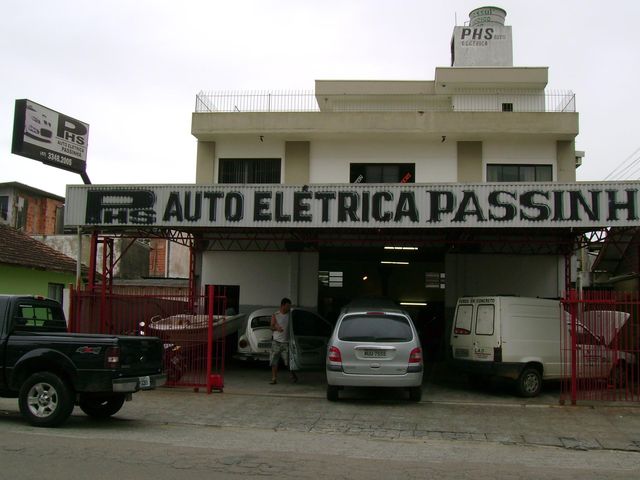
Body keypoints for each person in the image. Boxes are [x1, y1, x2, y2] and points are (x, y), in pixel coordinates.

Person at [269, 297, 297, 384]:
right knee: (274, 361)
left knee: (288, 362)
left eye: (290, 306)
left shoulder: (290, 315)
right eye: (288, 306)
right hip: (276, 342)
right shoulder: (275, 315)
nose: (289, 308)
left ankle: (293, 375)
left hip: (286, 342)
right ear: (282, 305)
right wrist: (276, 328)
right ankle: (274, 378)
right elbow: (271, 327)